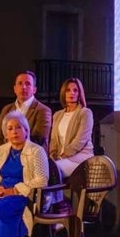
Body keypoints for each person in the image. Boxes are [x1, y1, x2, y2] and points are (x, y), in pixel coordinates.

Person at [46, 77, 95, 213]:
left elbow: (80, 140)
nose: (71, 93)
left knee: (52, 169)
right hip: (60, 159)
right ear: (63, 93)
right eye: (68, 90)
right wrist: (53, 155)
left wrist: (63, 155)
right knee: (46, 168)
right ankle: (48, 209)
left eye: (75, 90)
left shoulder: (85, 113)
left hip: (80, 158)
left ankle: (60, 206)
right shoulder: (57, 115)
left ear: (79, 93)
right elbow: (54, 141)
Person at [0, 70, 52, 149]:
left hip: (32, 157)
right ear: (15, 89)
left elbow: (37, 140)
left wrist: (15, 152)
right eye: (20, 83)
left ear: (34, 89)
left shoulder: (43, 110)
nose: (23, 87)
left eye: (28, 84)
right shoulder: (6, 109)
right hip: (6, 156)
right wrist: (2, 155)